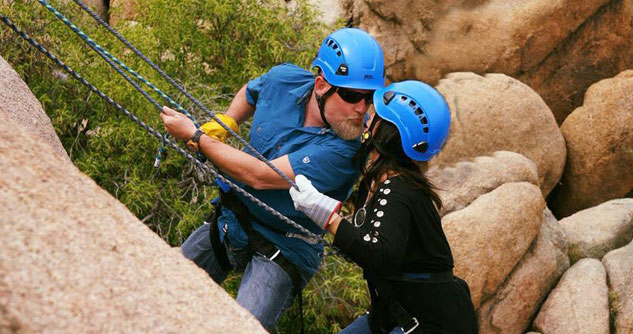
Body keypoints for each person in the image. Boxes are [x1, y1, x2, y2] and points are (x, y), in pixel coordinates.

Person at [159, 27, 385, 331]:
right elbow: (253, 92)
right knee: (164, 290)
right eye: (351, 95)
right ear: (321, 85)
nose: (362, 109)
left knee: (241, 328)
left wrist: (197, 137)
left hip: (286, 247)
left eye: (369, 98)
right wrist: (228, 119)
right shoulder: (284, 80)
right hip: (234, 218)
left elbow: (260, 177)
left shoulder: (346, 151)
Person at [289, 81, 479, 334]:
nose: (368, 116)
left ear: (389, 130)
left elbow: (380, 255)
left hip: (426, 323)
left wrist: (328, 218)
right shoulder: (382, 182)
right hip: (398, 315)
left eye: (377, 114)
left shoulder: (397, 190)